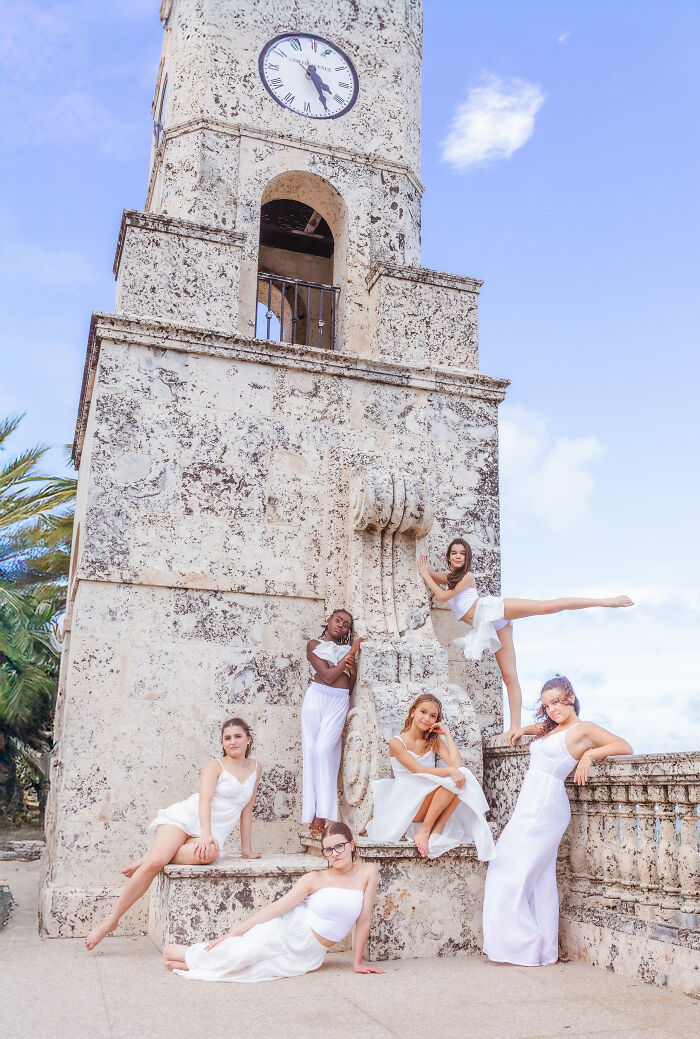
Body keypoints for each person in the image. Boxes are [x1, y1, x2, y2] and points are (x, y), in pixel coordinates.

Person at [482, 675, 633, 966]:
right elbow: (544, 730)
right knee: (538, 878)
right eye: (547, 705)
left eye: (557, 702)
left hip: (545, 805)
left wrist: (590, 755)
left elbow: (625, 745)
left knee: (509, 869)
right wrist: (523, 729)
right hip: (532, 802)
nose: (552, 710)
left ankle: (523, 945)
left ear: (571, 698)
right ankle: (538, 949)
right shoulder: (554, 727)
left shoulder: (583, 729)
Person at [417, 538, 633, 739]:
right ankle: (514, 728)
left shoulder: (467, 577)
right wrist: (427, 571)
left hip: (494, 610)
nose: (457, 557)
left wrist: (426, 575)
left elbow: (443, 596)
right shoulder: (450, 579)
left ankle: (607, 601)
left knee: (547, 607)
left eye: (462, 554)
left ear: (467, 558)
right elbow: (439, 580)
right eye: (453, 553)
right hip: (489, 626)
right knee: (509, 677)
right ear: (448, 557)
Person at [85, 717, 262, 951]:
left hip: (210, 834)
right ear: (222, 742)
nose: (233, 742)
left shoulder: (256, 768)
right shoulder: (215, 766)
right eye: (227, 738)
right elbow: (204, 802)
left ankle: (151, 853)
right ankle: (110, 921)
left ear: (248, 739)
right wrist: (206, 834)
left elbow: (247, 810)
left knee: (209, 853)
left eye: (238, 736)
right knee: (156, 863)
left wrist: (246, 851)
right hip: (186, 819)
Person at [163, 821, 385, 981]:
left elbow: (363, 919)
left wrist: (356, 963)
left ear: (352, 844)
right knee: (244, 953)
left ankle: (189, 960)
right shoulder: (314, 879)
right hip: (289, 929)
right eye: (329, 849)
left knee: (252, 971)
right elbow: (278, 908)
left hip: (310, 953)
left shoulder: (368, 872)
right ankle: (184, 953)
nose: (335, 853)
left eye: (340, 846)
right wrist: (233, 933)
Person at [366, 693, 495, 860]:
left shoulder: (434, 741)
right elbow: (418, 770)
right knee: (454, 777)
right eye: (423, 712)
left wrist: (447, 734)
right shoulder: (396, 742)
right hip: (406, 801)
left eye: (432, 716)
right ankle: (425, 829)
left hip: (427, 798)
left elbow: (458, 767)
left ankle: (436, 828)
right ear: (413, 711)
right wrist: (449, 771)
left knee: (463, 776)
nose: (427, 718)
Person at [302, 609, 364, 838]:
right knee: (311, 752)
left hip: (339, 701)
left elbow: (346, 686)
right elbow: (327, 675)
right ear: (327, 621)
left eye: (347, 625)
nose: (341, 626)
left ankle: (322, 813)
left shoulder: (347, 651)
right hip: (316, 697)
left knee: (324, 750)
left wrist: (353, 671)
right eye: (338, 620)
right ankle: (313, 813)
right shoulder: (314, 645)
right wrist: (353, 649)